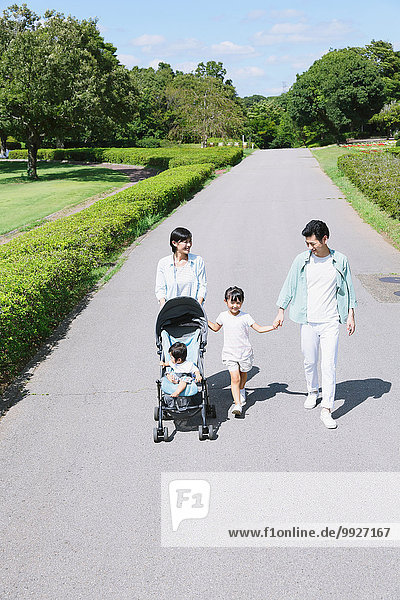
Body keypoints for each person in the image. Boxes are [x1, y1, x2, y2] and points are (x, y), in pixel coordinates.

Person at [273, 220, 356, 429]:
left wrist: (351, 314)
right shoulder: (302, 260)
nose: (309, 247)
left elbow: (349, 288)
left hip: (330, 321)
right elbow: (290, 284)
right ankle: (312, 391)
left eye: (313, 243)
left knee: (328, 365)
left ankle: (327, 408)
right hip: (308, 320)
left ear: (325, 239)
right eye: (307, 243)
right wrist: (281, 309)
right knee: (309, 361)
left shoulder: (340, 261)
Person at [208, 286, 277, 416]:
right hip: (230, 354)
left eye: (238, 302)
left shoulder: (246, 317)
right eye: (232, 302)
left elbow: (259, 329)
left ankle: (242, 389)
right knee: (234, 378)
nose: (235, 305)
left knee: (243, 375)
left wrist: (272, 327)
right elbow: (215, 328)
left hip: (245, 353)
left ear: (242, 302)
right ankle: (238, 404)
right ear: (226, 301)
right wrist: (204, 320)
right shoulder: (223, 316)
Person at [155, 227, 207, 307]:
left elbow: (202, 286)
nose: (189, 245)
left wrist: (198, 307)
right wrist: (164, 307)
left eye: (190, 241)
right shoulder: (164, 263)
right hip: (170, 310)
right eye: (185, 242)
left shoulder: (197, 261)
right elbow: (160, 289)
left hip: (193, 310)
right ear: (174, 243)